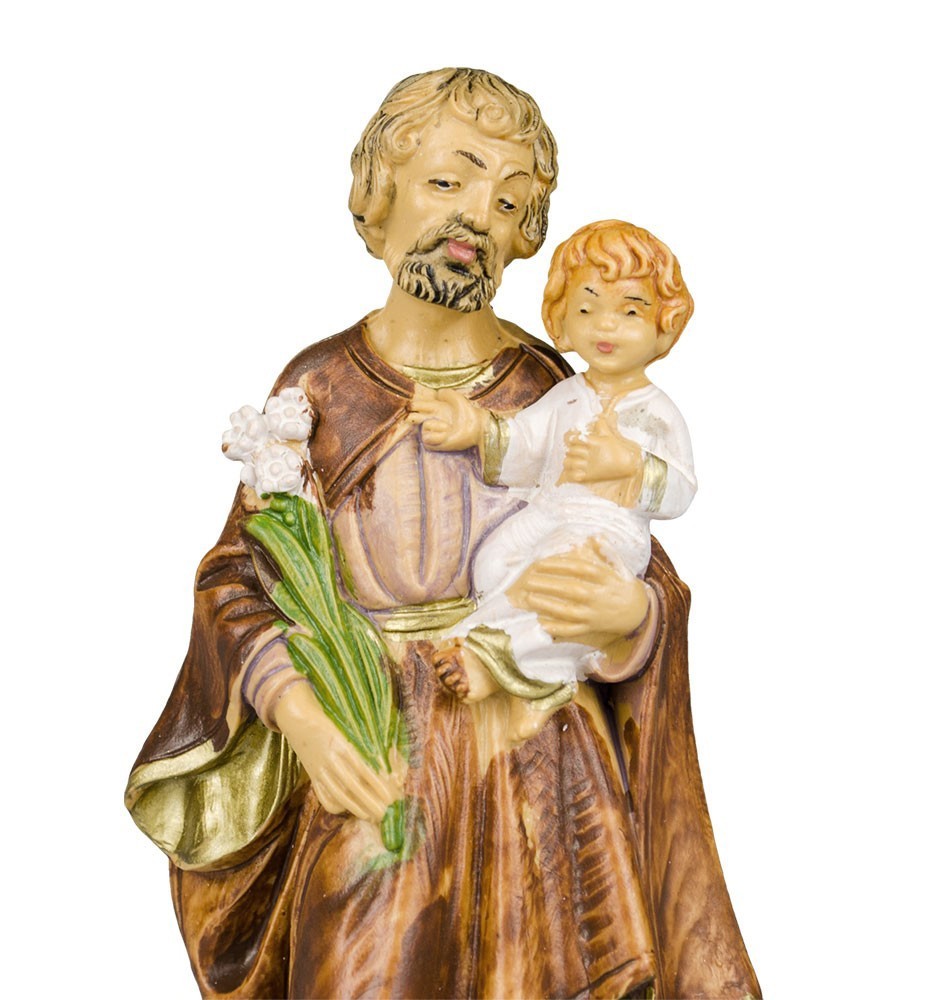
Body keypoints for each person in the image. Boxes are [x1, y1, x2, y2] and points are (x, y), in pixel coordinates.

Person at [126, 68, 760, 999]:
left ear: (524, 236)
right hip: (376, 748)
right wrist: (302, 718)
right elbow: (240, 581)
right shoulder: (321, 388)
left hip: (538, 758)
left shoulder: (551, 388)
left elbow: (628, 548)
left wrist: (632, 618)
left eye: (506, 202)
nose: (473, 217)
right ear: (379, 198)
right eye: (447, 181)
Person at [410, 220, 697, 743]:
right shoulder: (567, 395)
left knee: (560, 583)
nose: (605, 326)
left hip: (605, 531)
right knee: (494, 562)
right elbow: (525, 443)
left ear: (665, 325)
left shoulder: (656, 412)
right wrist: (477, 429)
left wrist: (632, 463)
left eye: (630, 312)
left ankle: (489, 656)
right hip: (551, 511)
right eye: (587, 309)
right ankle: (532, 669)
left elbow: (680, 491)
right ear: (562, 318)